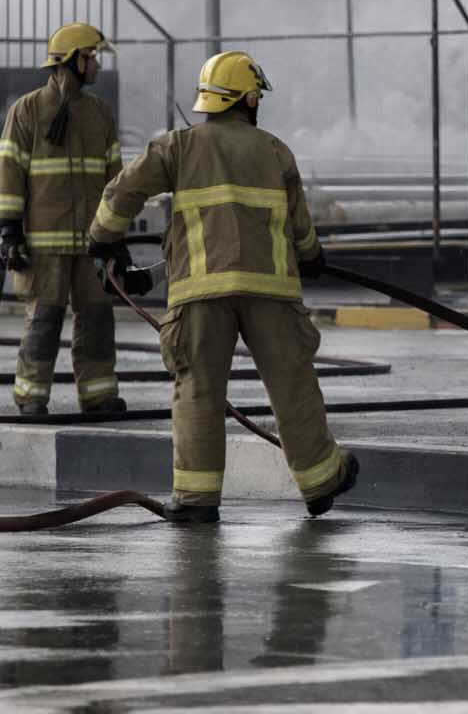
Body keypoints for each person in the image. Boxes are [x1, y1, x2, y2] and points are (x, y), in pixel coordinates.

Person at [88, 50, 357, 522]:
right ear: (249, 99)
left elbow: (122, 191)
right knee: (292, 385)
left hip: (199, 293)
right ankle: (320, 482)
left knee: (198, 390)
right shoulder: (275, 150)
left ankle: (196, 500)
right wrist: (312, 257)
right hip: (269, 291)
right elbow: (301, 228)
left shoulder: (177, 146)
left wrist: (103, 240)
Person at [0, 22, 127, 415]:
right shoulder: (27, 111)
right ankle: (31, 397)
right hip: (44, 244)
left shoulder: (99, 115)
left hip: (92, 243)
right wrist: (9, 230)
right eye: (92, 58)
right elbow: (9, 173)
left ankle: (99, 395)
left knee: (97, 320)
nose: (97, 66)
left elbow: (116, 180)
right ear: (74, 61)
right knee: (44, 322)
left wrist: (115, 235)